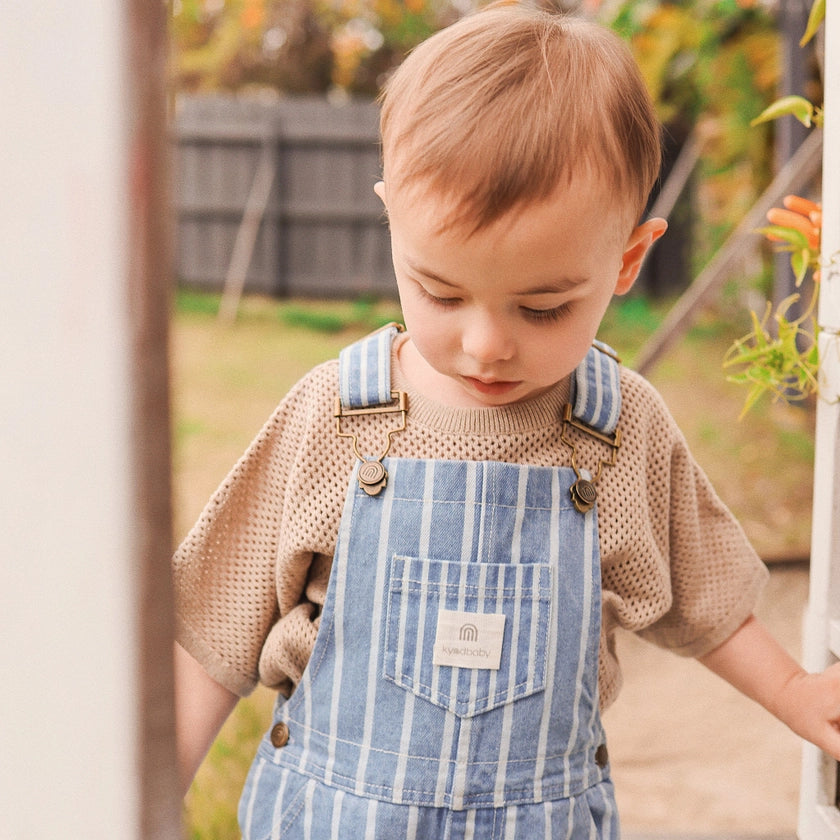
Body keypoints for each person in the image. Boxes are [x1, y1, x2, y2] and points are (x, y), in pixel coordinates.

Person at [173, 4, 840, 837]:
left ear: (627, 259)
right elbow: (215, 625)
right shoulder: (337, 418)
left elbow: (706, 598)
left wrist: (794, 692)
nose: (487, 345)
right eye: (441, 293)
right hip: (332, 816)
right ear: (393, 222)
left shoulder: (617, 428)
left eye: (543, 307)